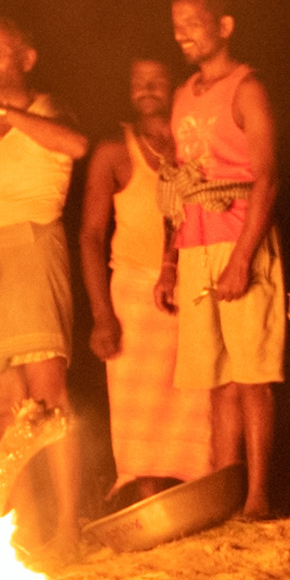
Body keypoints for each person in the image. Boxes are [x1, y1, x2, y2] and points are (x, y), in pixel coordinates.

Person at [0, 24, 94, 512]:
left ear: (26, 59)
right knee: (3, 405)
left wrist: (2, 111)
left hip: (31, 248)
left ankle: (68, 525)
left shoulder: (49, 110)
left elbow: (76, 146)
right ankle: (20, 530)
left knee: (47, 402)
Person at [161, 0, 288, 514]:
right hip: (194, 243)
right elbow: (178, 184)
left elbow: (268, 178)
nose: (182, 33)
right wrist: (170, 261)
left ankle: (257, 498)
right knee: (215, 379)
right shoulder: (182, 94)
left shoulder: (247, 88)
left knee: (252, 375)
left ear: (225, 25)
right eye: (176, 25)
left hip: (241, 238)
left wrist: (242, 259)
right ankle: (223, 494)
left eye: (194, 22)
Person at [86, 56, 183, 491]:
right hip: (132, 293)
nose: (146, 90)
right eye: (137, 83)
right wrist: (103, 317)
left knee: (191, 412)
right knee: (141, 423)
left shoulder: (191, 143)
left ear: (175, 85)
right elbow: (90, 236)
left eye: (156, 81)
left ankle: (197, 504)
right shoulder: (114, 151)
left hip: (188, 289)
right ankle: (150, 510)